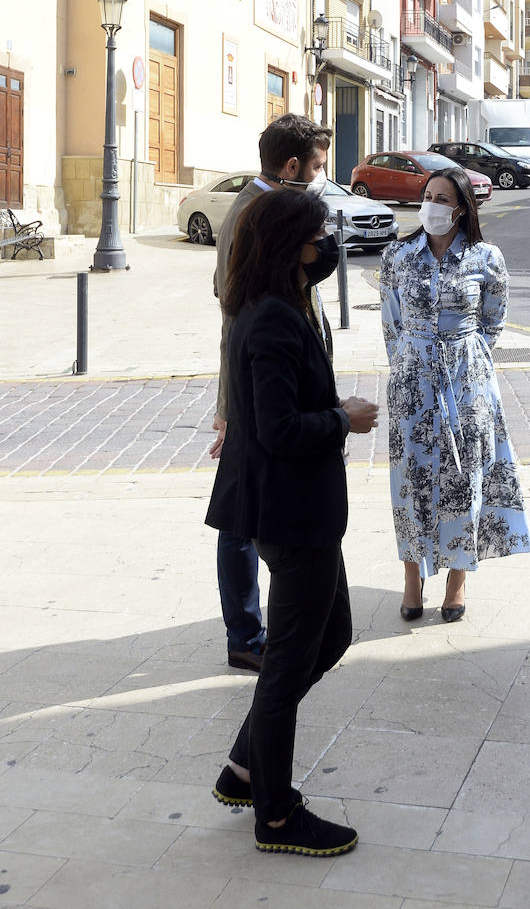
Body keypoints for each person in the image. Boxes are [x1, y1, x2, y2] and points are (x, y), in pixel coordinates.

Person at [206, 187, 378, 856]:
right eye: (318, 236)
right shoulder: (273, 318)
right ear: (291, 248)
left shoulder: (283, 306)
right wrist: (342, 419)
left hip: (301, 508)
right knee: (285, 668)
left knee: (332, 633)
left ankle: (244, 767)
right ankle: (275, 815)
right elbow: (278, 429)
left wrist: (330, 409)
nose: (327, 245)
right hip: (290, 510)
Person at [379, 166, 530, 622]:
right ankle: (412, 577)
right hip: (412, 380)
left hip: (468, 382)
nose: (431, 205)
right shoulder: (397, 255)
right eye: (428, 196)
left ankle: (457, 580)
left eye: (442, 199)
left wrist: (468, 360)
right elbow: (391, 322)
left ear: (462, 208)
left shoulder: (486, 257)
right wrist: (408, 365)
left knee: (464, 479)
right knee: (410, 481)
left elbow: (494, 320)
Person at [210, 114, 330, 673]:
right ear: (292, 165)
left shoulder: (265, 203)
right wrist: (232, 404)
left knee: (247, 507)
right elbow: (234, 301)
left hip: (265, 376)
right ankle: (246, 633)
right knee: (242, 515)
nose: (321, 177)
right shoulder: (255, 212)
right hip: (257, 381)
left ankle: (254, 629)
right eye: (318, 166)